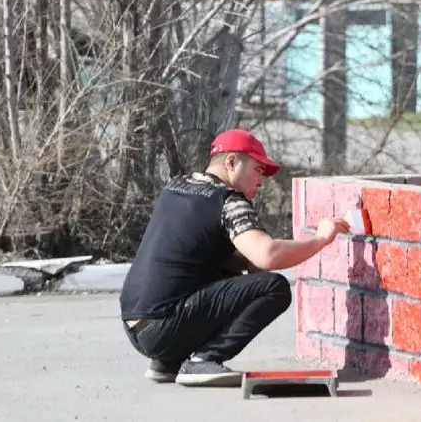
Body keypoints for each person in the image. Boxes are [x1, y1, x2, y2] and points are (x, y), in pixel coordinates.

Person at [119, 129, 350, 386]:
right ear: (231, 162)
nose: (260, 182)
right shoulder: (229, 201)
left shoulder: (175, 188)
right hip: (164, 326)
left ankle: (167, 362)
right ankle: (204, 360)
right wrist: (321, 238)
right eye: (258, 170)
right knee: (274, 288)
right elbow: (268, 255)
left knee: (228, 271)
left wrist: (249, 262)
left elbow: (197, 256)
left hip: (135, 325)